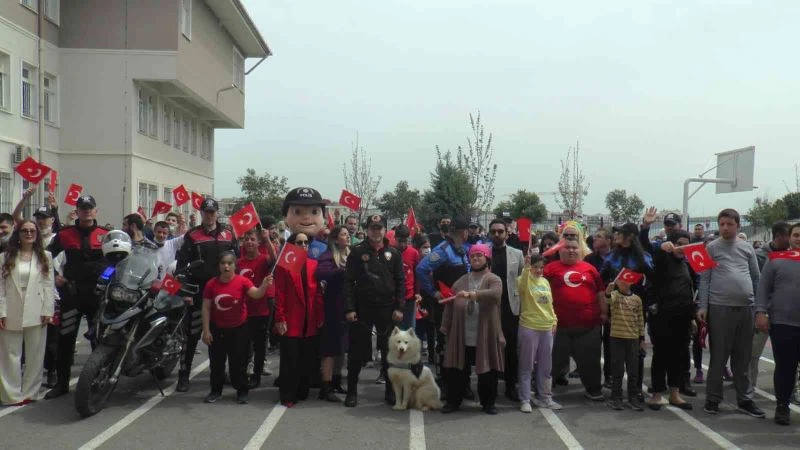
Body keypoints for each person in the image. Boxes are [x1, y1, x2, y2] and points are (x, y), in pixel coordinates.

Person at [697, 208, 764, 418]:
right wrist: (704, 307)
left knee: (742, 358)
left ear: (737, 225)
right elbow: (705, 279)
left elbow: (756, 277)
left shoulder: (747, 248)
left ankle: (745, 399)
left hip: (746, 309)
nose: (725, 228)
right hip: (719, 308)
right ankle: (713, 398)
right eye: (722, 224)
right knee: (718, 357)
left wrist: (759, 307)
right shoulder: (711, 248)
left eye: (730, 224)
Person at [44, 195, 109, 399]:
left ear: (95, 211)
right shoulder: (64, 234)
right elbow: (44, 258)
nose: (86, 211)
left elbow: (121, 260)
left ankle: (98, 381)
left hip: (98, 296)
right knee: (65, 340)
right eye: (82, 208)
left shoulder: (106, 235)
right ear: (77, 211)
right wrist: (55, 276)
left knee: (99, 341)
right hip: (72, 295)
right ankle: (62, 384)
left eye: (90, 207)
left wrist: (110, 276)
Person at [176, 197, 237, 393]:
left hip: (223, 290)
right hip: (198, 290)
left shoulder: (228, 234)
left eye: (212, 212)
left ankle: (219, 373)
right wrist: (184, 291)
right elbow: (181, 266)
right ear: (201, 213)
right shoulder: (192, 235)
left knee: (222, 335)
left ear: (217, 213)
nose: (209, 215)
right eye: (206, 212)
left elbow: (237, 262)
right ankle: (183, 375)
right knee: (192, 334)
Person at [343, 215, 404, 407]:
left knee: (388, 352)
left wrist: (400, 307)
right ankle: (351, 392)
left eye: (379, 228)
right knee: (356, 351)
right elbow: (348, 282)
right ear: (367, 229)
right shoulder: (357, 252)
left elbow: (400, 281)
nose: (376, 231)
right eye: (372, 228)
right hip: (363, 308)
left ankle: (390, 392)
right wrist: (350, 308)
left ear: (385, 230)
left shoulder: (393, 253)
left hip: (387, 309)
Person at [440, 243, 505, 414]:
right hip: (462, 334)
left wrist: (473, 295)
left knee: (487, 370)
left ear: (486, 258)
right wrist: (445, 326)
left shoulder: (493, 279)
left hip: (484, 333)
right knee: (457, 369)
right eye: (473, 256)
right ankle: (454, 401)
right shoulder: (461, 281)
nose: (476, 258)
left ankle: (488, 403)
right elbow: (450, 305)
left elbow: (495, 294)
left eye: (479, 255)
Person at [201, 251, 272, 404]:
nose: (226, 266)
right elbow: (206, 307)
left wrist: (264, 285)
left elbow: (257, 294)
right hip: (217, 329)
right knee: (217, 364)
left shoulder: (243, 282)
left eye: (229, 263)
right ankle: (215, 391)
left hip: (239, 329)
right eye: (223, 263)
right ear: (219, 266)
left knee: (239, 363)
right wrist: (206, 330)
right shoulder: (211, 284)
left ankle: (242, 391)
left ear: (235, 266)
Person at [416, 216, 473, 398]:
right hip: (446, 306)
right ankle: (446, 381)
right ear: (462, 232)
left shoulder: (462, 249)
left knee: (464, 343)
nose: (468, 234)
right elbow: (421, 269)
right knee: (446, 344)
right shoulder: (442, 250)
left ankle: (464, 383)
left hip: (463, 304)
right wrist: (433, 292)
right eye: (466, 231)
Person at [544, 237, 607, 401]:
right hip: (558, 327)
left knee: (590, 361)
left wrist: (604, 313)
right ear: (560, 251)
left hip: (589, 326)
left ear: (580, 250)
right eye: (567, 248)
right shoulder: (549, 269)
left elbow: (600, 292)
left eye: (574, 247)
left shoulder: (590, 269)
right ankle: (542, 390)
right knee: (551, 361)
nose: (571, 250)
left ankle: (593, 390)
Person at [0, 221, 56, 405]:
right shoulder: (5, 257)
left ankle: (31, 392)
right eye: (25, 230)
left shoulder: (45, 256)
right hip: (11, 306)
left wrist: (48, 309)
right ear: (18, 233)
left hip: (36, 307)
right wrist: (1, 312)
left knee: (35, 354)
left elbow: (49, 285)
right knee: (10, 354)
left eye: (32, 230)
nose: (29, 233)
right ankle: (11, 395)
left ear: (37, 234)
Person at [755, 222, 800, 425]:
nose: (799, 238)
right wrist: (761, 312)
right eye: (796, 235)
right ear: (790, 238)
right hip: (783, 323)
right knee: (785, 368)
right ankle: (782, 406)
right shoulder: (775, 260)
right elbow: (763, 289)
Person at [646, 231, 695, 411]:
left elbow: (690, 291)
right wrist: (659, 244)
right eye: (680, 243)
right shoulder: (662, 259)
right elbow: (646, 246)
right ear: (672, 244)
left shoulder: (686, 265)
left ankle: (675, 394)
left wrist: (692, 317)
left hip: (682, 317)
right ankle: (657, 395)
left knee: (679, 356)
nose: (683, 248)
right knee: (661, 355)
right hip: (662, 317)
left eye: (687, 244)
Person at [274, 232, 323, 407]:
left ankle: (302, 389)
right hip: (291, 319)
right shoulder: (285, 265)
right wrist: (279, 318)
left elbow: (317, 294)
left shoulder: (313, 264)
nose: (303, 245)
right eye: (299, 242)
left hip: (309, 320)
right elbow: (279, 293)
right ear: (292, 245)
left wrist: (319, 317)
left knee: (306, 358)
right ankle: (287, 394)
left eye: (306, 243)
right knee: (290, 359)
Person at [486, 218, 524, 402]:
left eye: (500, 231)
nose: (497, 234)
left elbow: (521, 279)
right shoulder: (484, 252)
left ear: (507, 233)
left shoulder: (517, 254)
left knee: (510, 348)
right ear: (489, 233)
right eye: (493, 231)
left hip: (510, 306)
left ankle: (510, 385)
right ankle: (490, 386)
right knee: (488, 346)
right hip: (488, 306)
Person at [516, 254, 559, 412]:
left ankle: (546, 397)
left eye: (542, 267)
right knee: (527, 365)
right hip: (529, 327)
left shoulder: (545, 282)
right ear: (529, 266)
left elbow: (550, 305)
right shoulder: (523, 280)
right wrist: (527, 267)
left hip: (547, 327)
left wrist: (554, 320)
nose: (539, 270)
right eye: (536, 267)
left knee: (545, 366)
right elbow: (522, 288)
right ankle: (525, 399)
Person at [751, 222, 790, 391]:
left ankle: (788, 389)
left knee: (788, 357)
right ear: (779, 236)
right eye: (791, 235)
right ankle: (748, 387)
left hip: (786, 314)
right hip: (763, 312)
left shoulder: (793, 255)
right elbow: (756, 284)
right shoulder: (759, 256)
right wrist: (760, 310)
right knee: (753, 353)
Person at [315, 225, 351, 402]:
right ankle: (326, 385)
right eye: (344, 234)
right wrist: (339, 271)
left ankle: (337, 380)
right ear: (336, 239)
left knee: (342, 347)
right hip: (333, 307)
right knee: (330, 348)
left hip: (348, 307)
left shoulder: (352, 255)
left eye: (348, 234)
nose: (348, 236)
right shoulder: (328, 255)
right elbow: (320, 272)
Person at [236, 229, 273, 389]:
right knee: (243, 346)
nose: (249, 242)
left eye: (252, 239)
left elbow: (275, 260)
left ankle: (256, 376)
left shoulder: (264, 259)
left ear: (258, 242)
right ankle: (241, 374)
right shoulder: (238, 263)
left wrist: (268, 240)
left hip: (261, 310)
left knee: (259, 346)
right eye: (246, 239)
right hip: (242, 311)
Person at [605, 277, 646, 411]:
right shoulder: (615, 295)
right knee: (617, 369)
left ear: (632, 282)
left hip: (633, 338)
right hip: (617, 337)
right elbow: (608, 300)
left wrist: (642, 339)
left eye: (627, 280)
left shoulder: (637, 299)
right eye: (621, 280)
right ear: (617, 282)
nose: (624, 283)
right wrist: (609, 290)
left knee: (633, 370)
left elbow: (640, 320)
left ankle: (632, 396)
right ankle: (616, 397)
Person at [393, 225, 421, 331]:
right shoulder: (389, 252)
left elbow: (416, 274)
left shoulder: (414, 253)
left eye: (405, 241)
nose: (402, 244)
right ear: (395, 238)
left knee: (409, 330)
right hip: (394, 298)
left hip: (410, 297)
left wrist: (417, 292)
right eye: (400, 241)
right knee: (395, 331)